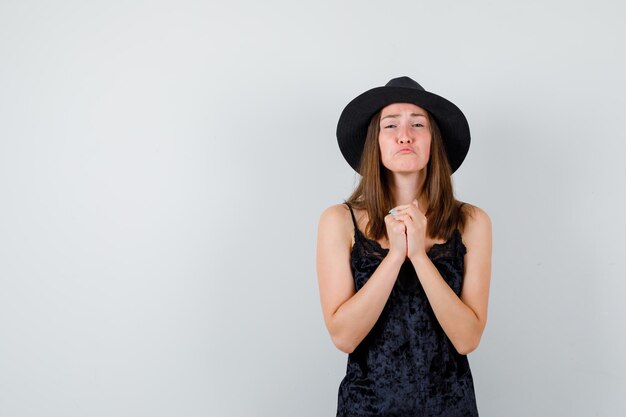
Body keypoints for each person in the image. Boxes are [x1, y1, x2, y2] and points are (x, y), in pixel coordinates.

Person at [316, 76, 492, 416]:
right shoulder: (338, 221)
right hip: (366, 408)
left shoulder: (472, 222)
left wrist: (418, 256)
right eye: (391, 124)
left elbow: (467, 339)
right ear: (376, 143)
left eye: (418, 124)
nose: (404, 134)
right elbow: (344, 337)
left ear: (433, 141)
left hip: (450, 408)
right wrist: (395, 256)